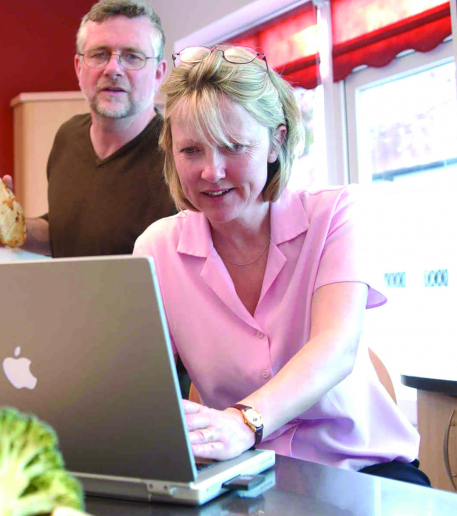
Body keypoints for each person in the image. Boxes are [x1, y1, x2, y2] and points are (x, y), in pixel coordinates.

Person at [133, 45, 428, 485]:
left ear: (277, 141)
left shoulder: (336, 215)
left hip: (362, 472)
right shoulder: (157, 248)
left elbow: (335, 348)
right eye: (191, 151)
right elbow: (139, 380)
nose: (211, 172)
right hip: (244, 474)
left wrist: (241, 422)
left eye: (233, 146)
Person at [0, 0, 176, 257]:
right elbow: (64, 235)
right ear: (79, 67)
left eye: (132, 56)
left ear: (158, 73)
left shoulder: (180, 154)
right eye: (99, 54)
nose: (113, 68)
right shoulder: (68, 137)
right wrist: (5, 223)